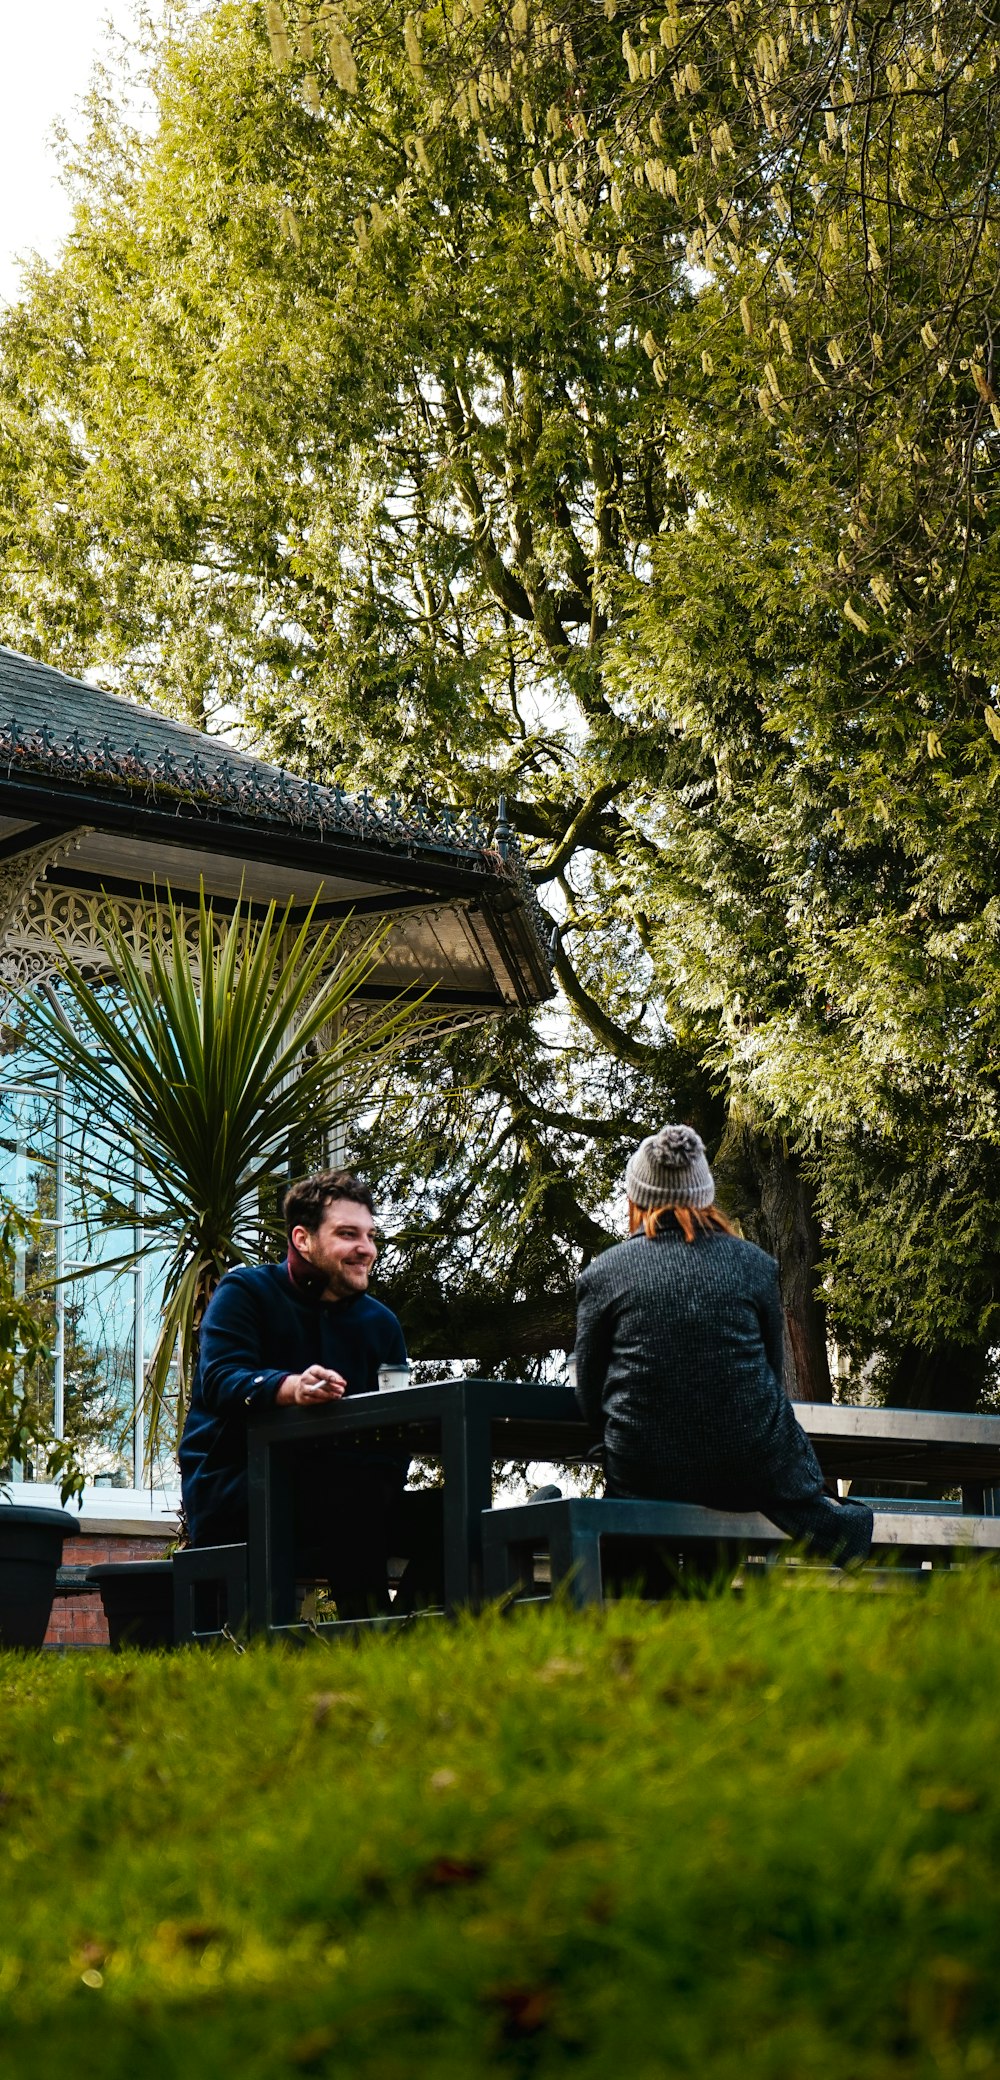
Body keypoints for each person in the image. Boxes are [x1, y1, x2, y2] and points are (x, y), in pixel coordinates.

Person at [574, 1125, 873, 1567]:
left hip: (646, 1467)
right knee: (734, 1475)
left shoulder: (604, 1273)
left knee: (636, 1522)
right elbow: (771, 1377)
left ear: (636, 1198)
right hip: (748, 1467)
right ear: (704, 1196)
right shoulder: (755, 1265)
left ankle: (634, 1603)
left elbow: (589, 1397)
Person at [179, 1168, 439, 1615]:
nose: (367, 1249)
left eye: (370, 1235)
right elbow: (221, 1380)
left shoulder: (381, 1324)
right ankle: (370, 1632)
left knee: (450, 1512)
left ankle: (408, 1635)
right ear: (302, 1239)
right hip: (236, 1493)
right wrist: (290, 1387)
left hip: (354, 1498)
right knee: (349, 1491)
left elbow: (397, 1435)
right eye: (347, 1234)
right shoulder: (245, 1292)